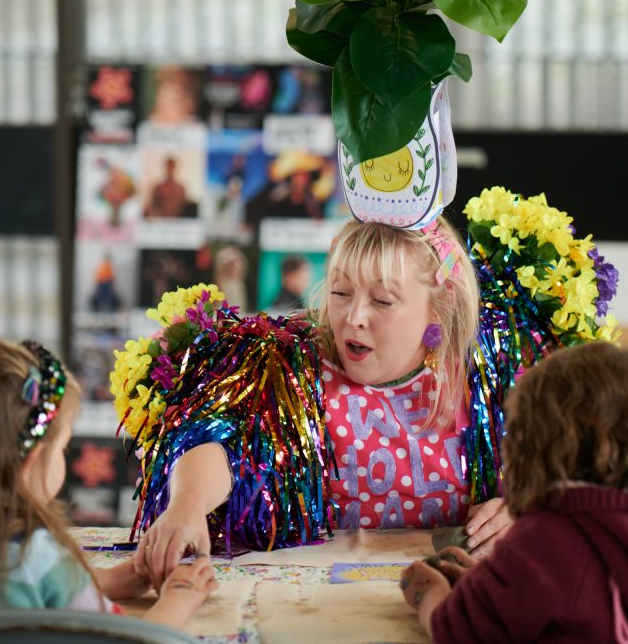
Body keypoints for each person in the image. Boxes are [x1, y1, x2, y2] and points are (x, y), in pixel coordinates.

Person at [132, 215, 515, 589]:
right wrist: (187, 504)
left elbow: (545, 475)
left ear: (440, 308)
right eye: (341, 293)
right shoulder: (297, 369)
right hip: (318, 603)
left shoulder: (485, 381)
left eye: (383, 300)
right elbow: (224, 445)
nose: (354, 317)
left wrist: (522, 511)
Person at [0, 339, 218, 643]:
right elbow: (127, 640)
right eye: (63, 448)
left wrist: (109, 580)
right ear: (33, 460)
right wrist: (179, 598)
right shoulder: (38, 557)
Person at [399, 342, 628, 644]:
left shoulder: (548, 543)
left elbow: (459, 630)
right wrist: (490, 581)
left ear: (537, 445)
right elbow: (586, 595)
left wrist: (430, 592)